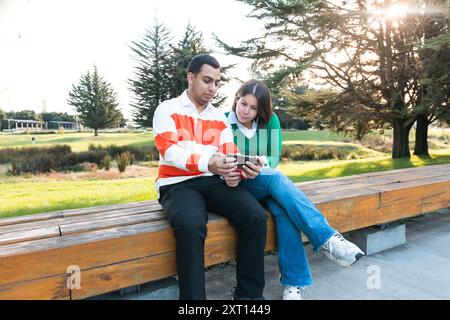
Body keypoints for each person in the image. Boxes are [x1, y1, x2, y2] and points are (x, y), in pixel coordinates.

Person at [224, 79, 365, 300]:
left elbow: (274, 155)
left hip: (262, 181)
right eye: (243, 104)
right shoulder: (224, 121)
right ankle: (328, 239)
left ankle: (293, 285)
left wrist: (262, 163)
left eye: (253, 108)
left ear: (261, 109)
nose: (246, 111)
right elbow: (220, 157)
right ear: (236, 99)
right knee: (277, 179)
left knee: (284, 212)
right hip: (236, 187)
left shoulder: (270, 121)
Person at [153, 55, 267, 300]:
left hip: (212, 180)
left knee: (255, 216)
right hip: (177, 184)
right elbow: (169, 152)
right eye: (207, 80)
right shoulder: (167, 109)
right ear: (191, 77)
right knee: (192, 225)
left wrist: (241, 168)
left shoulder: (219, 117)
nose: (213, 88)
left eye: (217, 82)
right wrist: (208, 163)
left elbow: (228, 151)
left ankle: (249, 297)